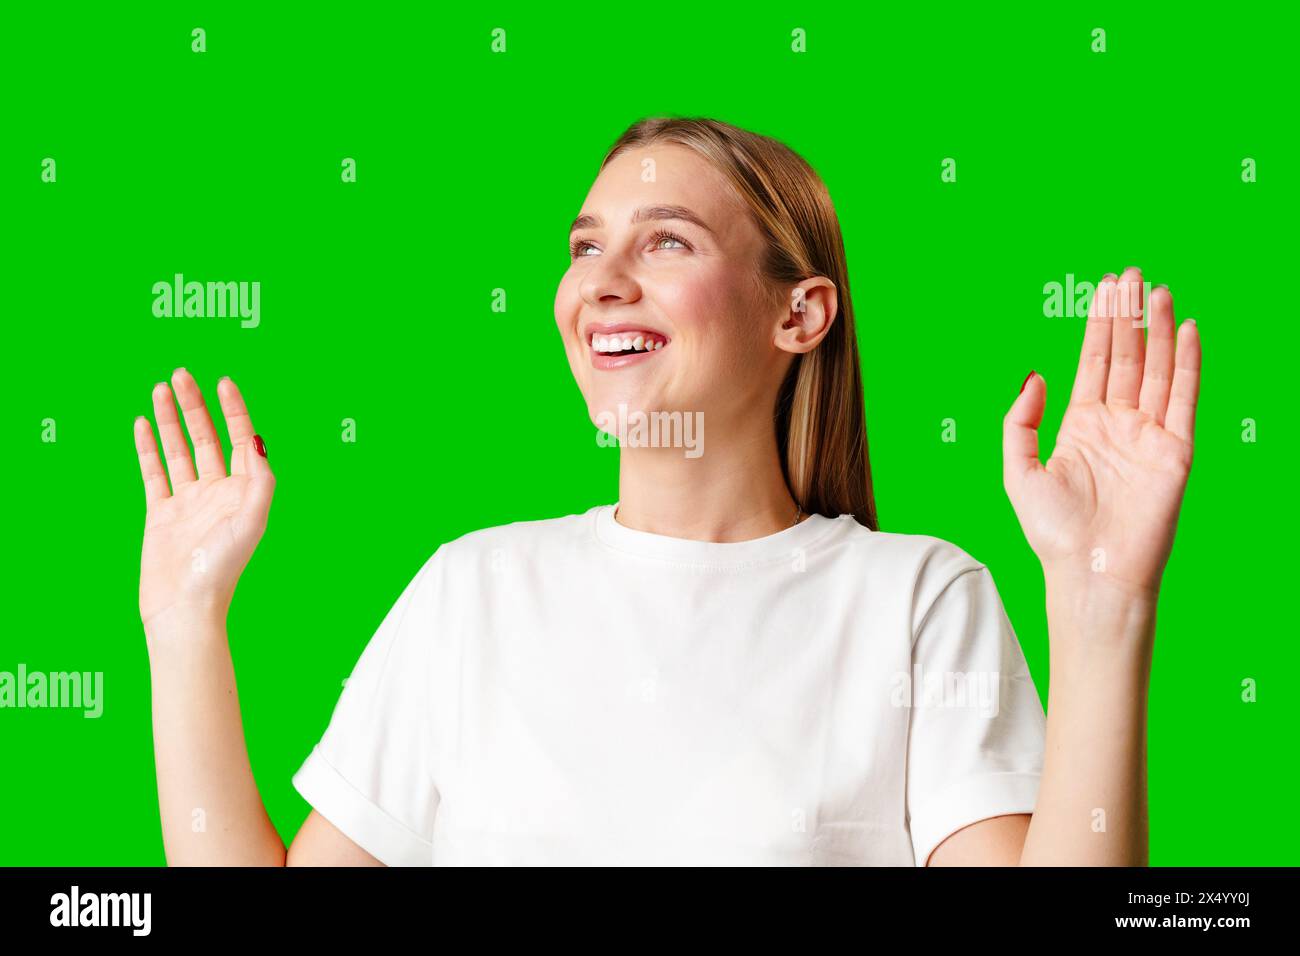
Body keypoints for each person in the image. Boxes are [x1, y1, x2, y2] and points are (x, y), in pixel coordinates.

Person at [134, 117, 1201, 866]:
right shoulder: (473, 591)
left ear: (802, 314)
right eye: (586, 246)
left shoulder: (914, 599)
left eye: (666, 243)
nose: (598, 281)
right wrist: (183, 620)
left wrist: (1103, 602)